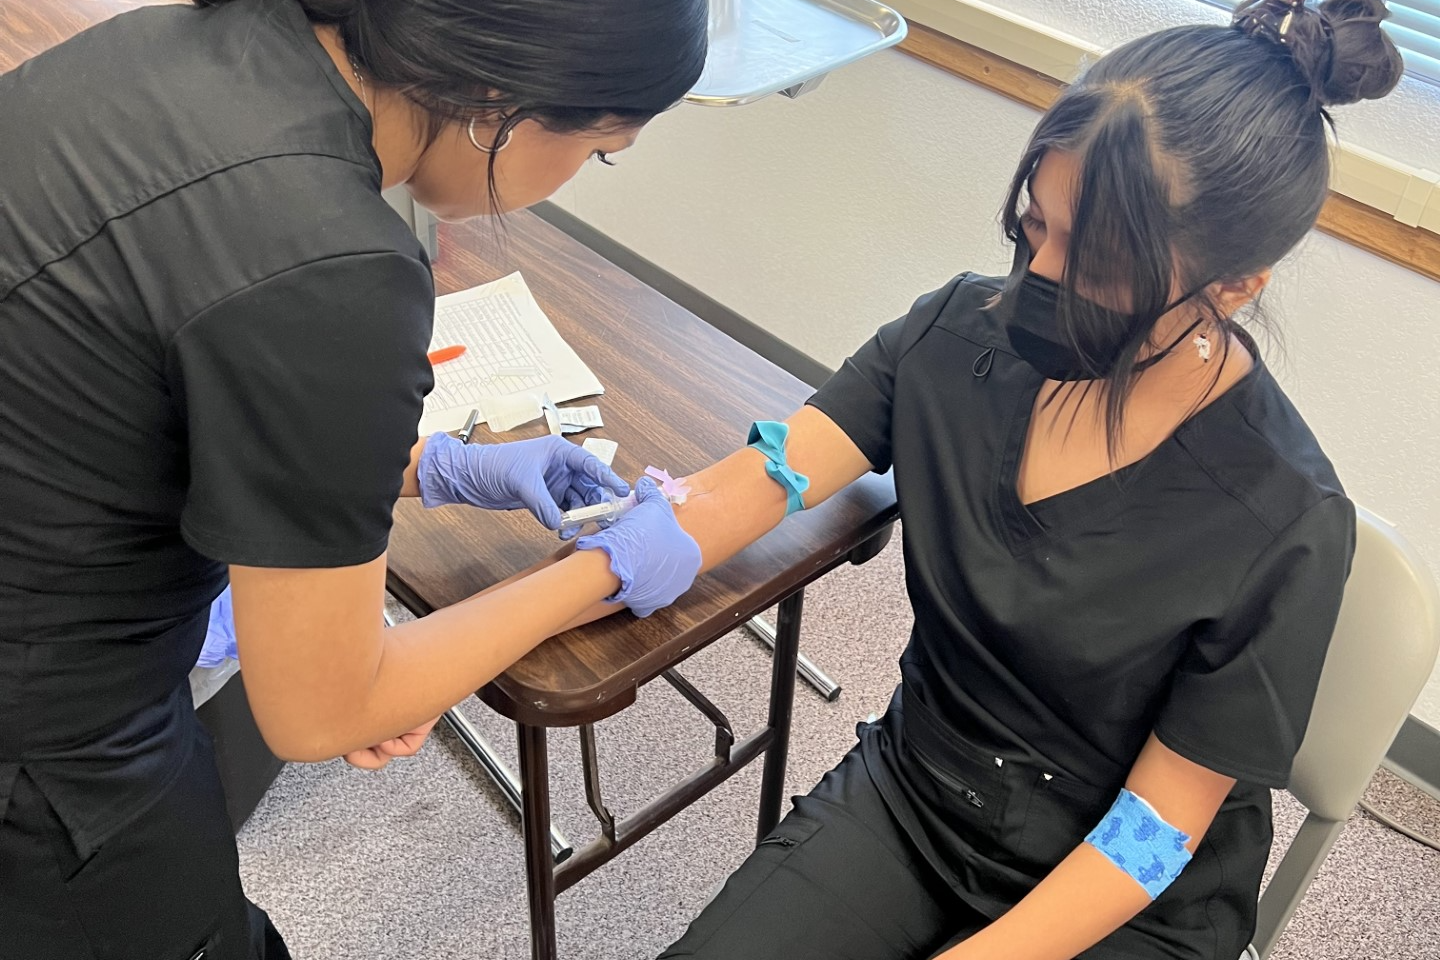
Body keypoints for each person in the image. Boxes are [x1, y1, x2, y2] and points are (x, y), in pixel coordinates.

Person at [553, 1, 1403, 957]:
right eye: (1035, 227)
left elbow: (1155, 831)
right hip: (921, 795)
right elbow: (766, 476)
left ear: (1236, 282)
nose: (1039, 275)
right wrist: (572, 578)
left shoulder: (1281, 520)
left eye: (1098, 258)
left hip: (1127, 895)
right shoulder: (956, 336)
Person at [0, 1, 706, 957]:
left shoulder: (173, 47)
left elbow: (183, 397)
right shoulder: (333, 264)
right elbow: (324, 711)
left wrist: (443, 467)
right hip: (47, 752)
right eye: (603, 148)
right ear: (500, 92)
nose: (582, 177)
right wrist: (600, 575)